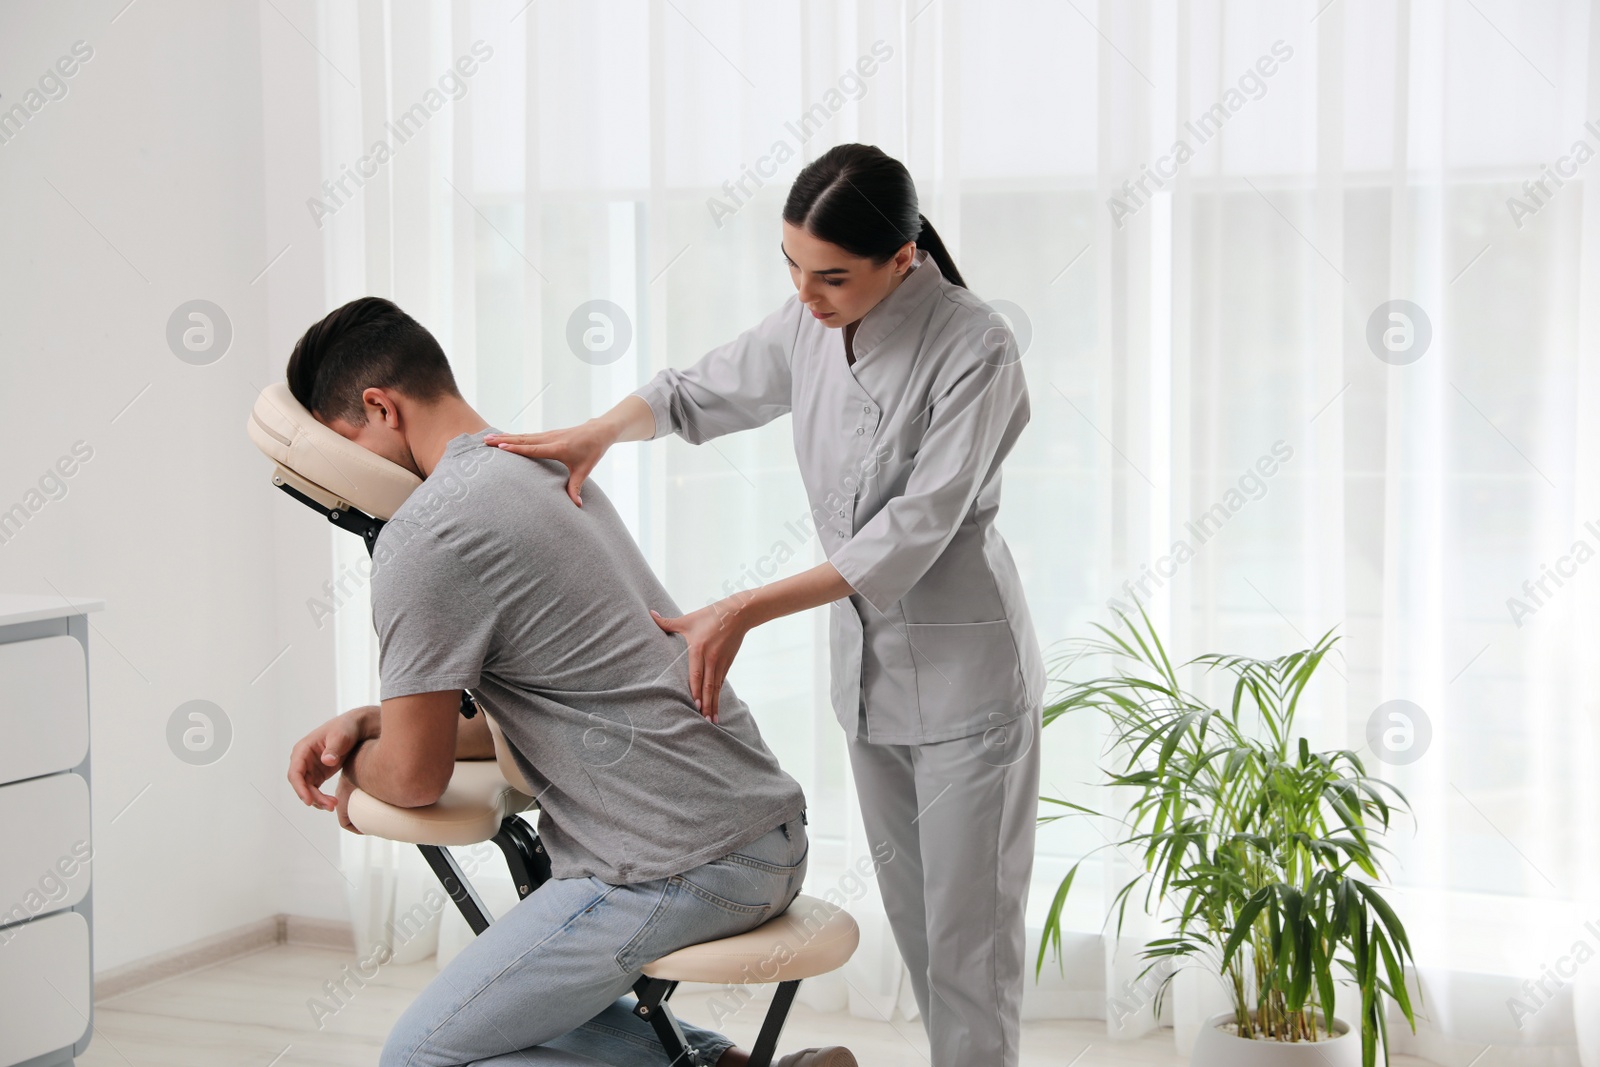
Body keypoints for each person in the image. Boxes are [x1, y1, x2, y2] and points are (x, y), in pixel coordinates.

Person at [486, 143, 1044, 1067]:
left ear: (903, 259)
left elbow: (913, 531)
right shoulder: (812, 323)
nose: (806, 293)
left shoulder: (975, 344)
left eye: (831, 274)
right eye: (791, 265)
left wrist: (744, 606)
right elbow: (701, 388)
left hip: (966, 683)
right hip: (870, 678)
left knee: (969, 945)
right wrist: (600, 431)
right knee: (916, 921)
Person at [281, 297, 856, 1067]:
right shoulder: (543, 463)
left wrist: (353, 775)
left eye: (343, 446)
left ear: (380, 408)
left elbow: (416, 779)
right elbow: (571, 695)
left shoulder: (423, 533)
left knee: (417, 1058)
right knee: (504, 1003)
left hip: (677, 863)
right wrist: (372, 720)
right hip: (769, 835)